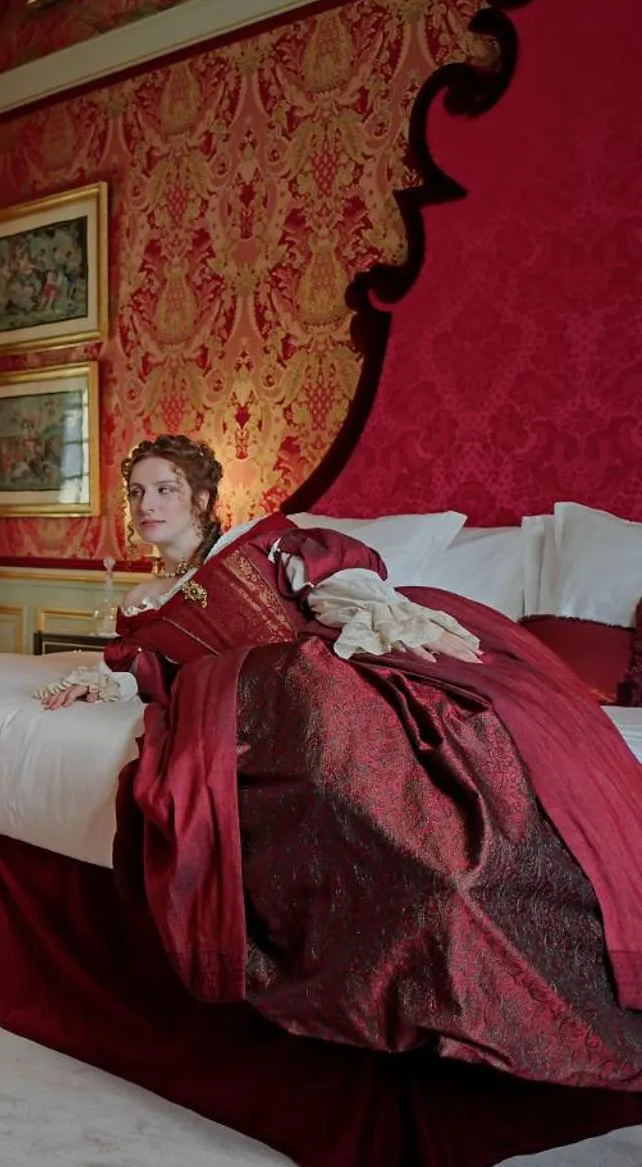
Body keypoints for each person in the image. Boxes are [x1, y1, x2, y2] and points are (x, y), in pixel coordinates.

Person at [40, 434, 642, 1090]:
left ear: (203, 498)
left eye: (165, 490)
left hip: (316, 667)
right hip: (243, 699)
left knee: (371, 742)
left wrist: (385, 627)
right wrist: (100, 685)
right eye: (136, 493)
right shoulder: (146, 602)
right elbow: (152, 666)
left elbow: (340, 591)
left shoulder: (266, 546)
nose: (147, 504)